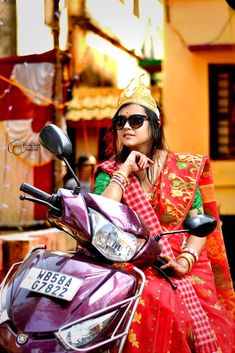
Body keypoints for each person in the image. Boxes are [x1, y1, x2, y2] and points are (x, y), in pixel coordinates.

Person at [93, 76, 235, 353]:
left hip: (181, 262)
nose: (126, 127)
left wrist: (185, 260)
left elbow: (199, 226)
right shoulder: (109, 172)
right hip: (130, 264)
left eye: (135, 120)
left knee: (209, 323)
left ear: (154, 125)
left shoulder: (184, 168)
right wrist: (124, 172)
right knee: (147, 302)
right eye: (120, 122)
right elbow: (101, 215)